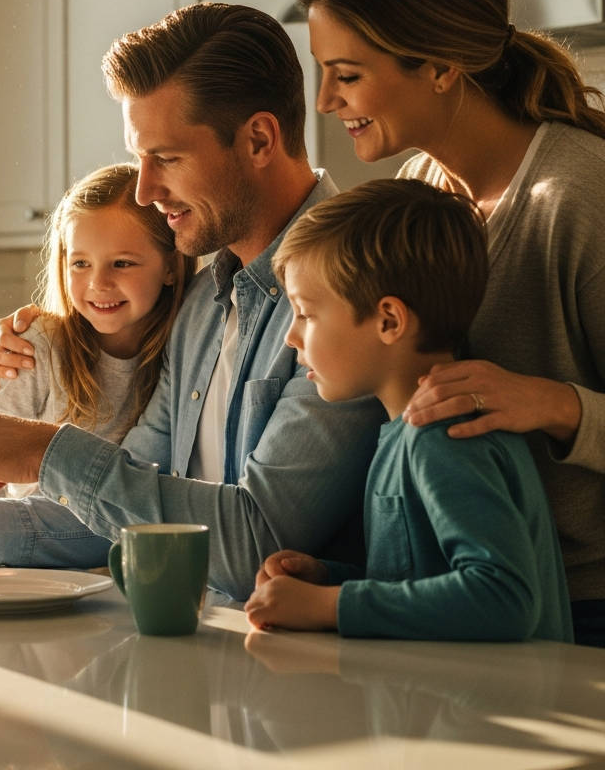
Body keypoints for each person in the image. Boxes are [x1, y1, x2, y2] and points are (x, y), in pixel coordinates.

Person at [0, 3, 384, 599]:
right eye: (139, 157)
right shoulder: (200, 305)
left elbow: (259, 540)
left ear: (258, 139)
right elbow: (134, 509)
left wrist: (48, 453)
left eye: (166, 158)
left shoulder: (357, 283)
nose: (145, 189)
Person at [294, 0, 605, 647]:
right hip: (459, 604)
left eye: (347, 74)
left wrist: (555, 405)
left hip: (579, 613)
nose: (325, 102)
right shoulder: (422, 190)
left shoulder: (581, 198)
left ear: (438, 66)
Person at [243, 179, 572, 643]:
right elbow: (419, 580)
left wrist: (328, 606)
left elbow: (504, 599)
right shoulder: (403, 431)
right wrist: (327, 578)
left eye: (306, 313)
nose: (291, 337)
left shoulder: (445, 436)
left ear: (389, 321)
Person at [0, 163, 196, 499]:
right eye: (80, 263)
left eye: (122, 263)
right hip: (30, 545)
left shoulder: (188, 349)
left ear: (171, 267)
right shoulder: (38, 347)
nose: (99, 284)